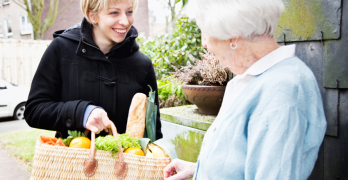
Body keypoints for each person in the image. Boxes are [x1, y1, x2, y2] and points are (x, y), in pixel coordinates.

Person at [163, 0, 327, 179]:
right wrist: (200, 169)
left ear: (232, 34)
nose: (204, 43)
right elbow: (245, 159)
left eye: (204, 30)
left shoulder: (283, 91)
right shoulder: (255, 78)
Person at [24, 0, 162, 139]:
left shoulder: (142, 64)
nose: (125, 22)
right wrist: (82, 113)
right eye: (114, 12)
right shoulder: (61, 49)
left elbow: (154, 129)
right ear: (92, 16)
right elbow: (34, 110)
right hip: (73, 159)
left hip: (126, 160)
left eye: (129, 12)